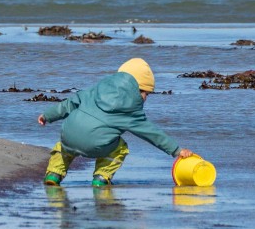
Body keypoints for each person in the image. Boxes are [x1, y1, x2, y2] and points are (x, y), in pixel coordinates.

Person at [36, 57, 193, 187]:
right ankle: (101, 177)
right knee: (120, 148)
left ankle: (54, 174)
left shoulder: (96, 88)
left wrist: (48, 115)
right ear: (139, 90)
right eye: (146, 94)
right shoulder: (131, 110)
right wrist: (176, 150)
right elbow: (151, 133)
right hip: (96, 144)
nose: (145, 99)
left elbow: (68, 104)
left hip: (69, 135)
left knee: (64, 146)